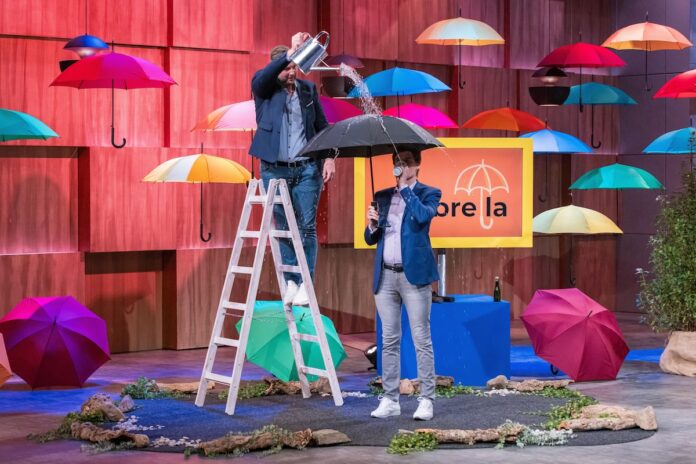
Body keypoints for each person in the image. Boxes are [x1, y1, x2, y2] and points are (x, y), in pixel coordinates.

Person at [249, 32, 335, 307]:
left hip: (307, 168)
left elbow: (322, 126)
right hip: (275, 170)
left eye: (294, 67)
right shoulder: (263, 89)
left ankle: (304, 285)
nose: (291, 72)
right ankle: (290, 281)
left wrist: (331, 156)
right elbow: (265, 76)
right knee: (284, 228)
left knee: (307, 228)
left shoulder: (308, 91)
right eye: (286, 68)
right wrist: (289, 53)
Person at [365, 150, 441, 421]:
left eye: (407, 161)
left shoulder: (429, 193)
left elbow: (422, 218)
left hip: (414, 278)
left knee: (421, 339)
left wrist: (406, 188)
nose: (401, 165)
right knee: (389, 340)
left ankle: (427, 400)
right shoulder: (383, 196)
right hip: (386, 277)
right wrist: (371, 224)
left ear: (417, 165)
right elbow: (371, 239)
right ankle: (390, 399)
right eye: (397, 161)